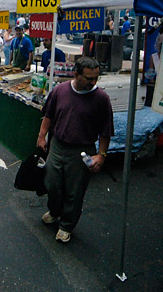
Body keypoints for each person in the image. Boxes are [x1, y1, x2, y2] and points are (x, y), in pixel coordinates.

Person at [36, 57, 113, 243]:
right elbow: (49, 115)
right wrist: (41, 136)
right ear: (76, 74)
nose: (93, 82)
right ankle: (55, 211)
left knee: (75, 190)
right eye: (88, 78)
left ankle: (67, 225)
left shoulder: (101, 99)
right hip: (57, 145)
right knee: (52, 183)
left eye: (96, 78)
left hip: (82, 150)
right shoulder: (60, 90)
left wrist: (101, 155)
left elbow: (105, 131)